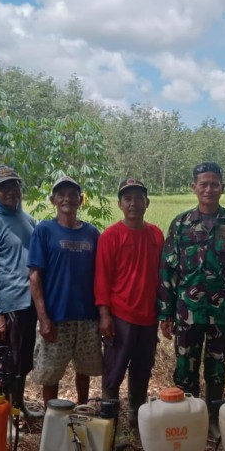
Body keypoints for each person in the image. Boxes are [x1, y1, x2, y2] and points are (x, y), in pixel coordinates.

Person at [158, 162, 225, 434]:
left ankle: (214, 418)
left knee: (217, 369)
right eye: (203, 184)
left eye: (214, 183)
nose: (208, 189)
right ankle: (188, 419)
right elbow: (168, 270)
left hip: (222, 313)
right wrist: (165, 314)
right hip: (186, 313)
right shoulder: (180, 224)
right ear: (194, 187)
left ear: (222, 187)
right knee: (184, 369)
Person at [94, 178, 165, 426]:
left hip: (148, 316)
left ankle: (136, 416)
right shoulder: (110, 236)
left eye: (138, 198)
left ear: (147, 202)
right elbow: (102, 278)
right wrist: (104, 315)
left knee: (143, 368)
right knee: (114, 369)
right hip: (121, 315)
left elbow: (161, 275)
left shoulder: (156, 234)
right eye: (127, 198)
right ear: (120, 204)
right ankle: (109, 418)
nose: (133, 203)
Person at [28, 176, 102, 405]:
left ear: (80, 200)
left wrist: (102, 314)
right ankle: (53, 417)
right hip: (56, 316)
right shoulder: (44, 231)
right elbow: (34, 276)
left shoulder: (92, 233)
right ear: (53, 200)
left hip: (87, 316)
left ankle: (81, 410)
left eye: (72, 194)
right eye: (61, 194)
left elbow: (101, 275)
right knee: (50, 374)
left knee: (85, 369)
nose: (66, 199)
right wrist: (43, 317)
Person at [0, 165, 38, 418]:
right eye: (3, 188)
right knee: (5, 365)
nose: (11, 191)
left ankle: (17, 406)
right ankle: (1, 417)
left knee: (22, 361)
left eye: (14, 186)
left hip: (29, 304)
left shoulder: (28, 220)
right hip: (7, 306)